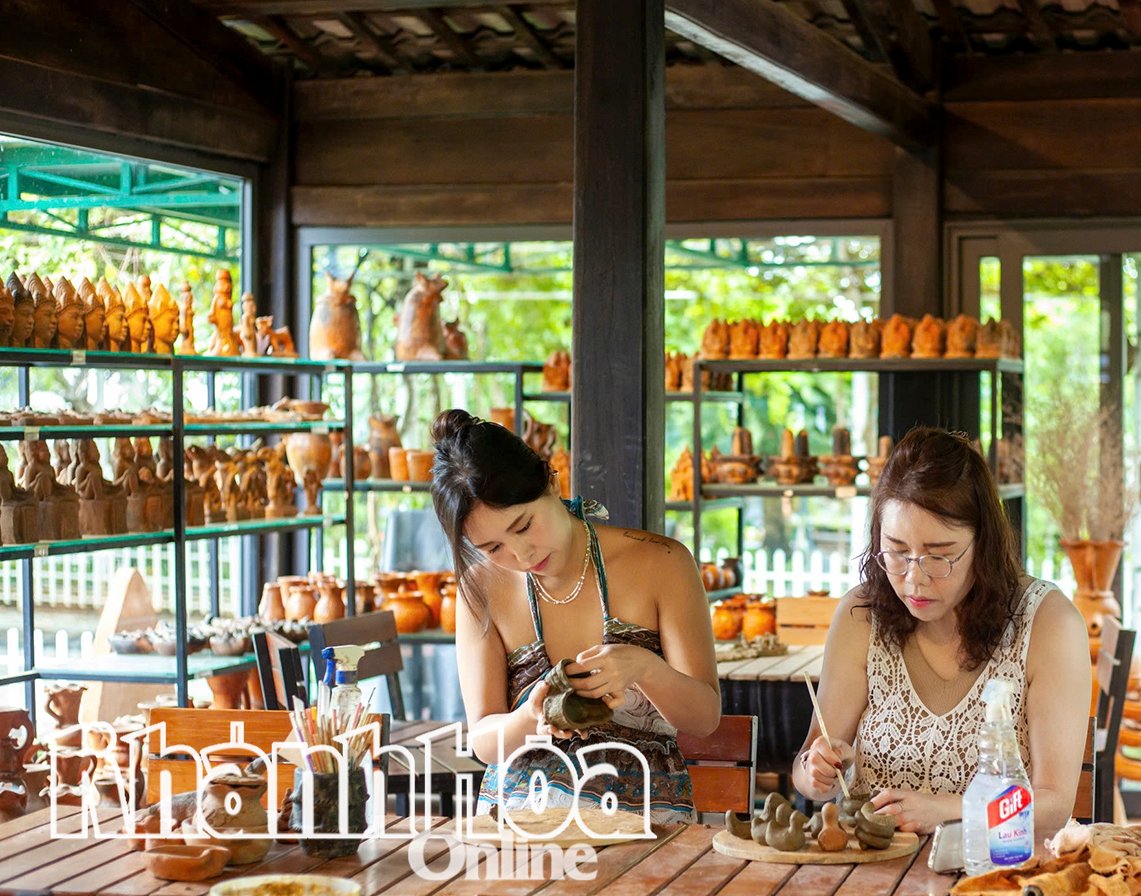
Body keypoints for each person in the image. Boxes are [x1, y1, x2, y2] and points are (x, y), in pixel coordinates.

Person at [791, 427, 1090, 837]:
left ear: (982, 543)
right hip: (867, 871)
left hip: (996, 872)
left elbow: (1053, 805)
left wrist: (950, 811)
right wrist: (816, 769)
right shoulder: (861, 615)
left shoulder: (1048, 624)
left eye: (940, 556)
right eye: (896, 551)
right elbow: (808, 767)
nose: (914, 578)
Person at [430, 408, 720, 823]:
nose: (522, 555)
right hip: (520, 823)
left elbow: (705, 718)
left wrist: (646, 668)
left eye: (525, 525)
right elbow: (483, 741)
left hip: (648, 822)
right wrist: (529, 719)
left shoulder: (663, 562)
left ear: (551, 479)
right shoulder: (481, 588)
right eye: (494, 548)